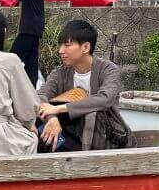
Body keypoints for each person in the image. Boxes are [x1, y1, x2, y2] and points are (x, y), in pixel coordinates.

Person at [37, 19, 134, 152]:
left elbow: (105, 99)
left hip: (109, 137)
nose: (61, 51)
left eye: (67, 45)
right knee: (37, 117)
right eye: (60, 45)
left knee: (93, 115)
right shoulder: (60, 73)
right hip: (73, 134)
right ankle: (52, 158)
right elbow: (40, 96)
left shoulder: (108, 69)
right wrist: (52, 118)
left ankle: (87, 161)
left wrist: (60, 108)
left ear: (86, 47)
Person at [0, 50, 39, 156]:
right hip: (0, 138)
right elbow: (28, 107)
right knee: (29, 141)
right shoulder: (7, 60)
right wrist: (29, 124)